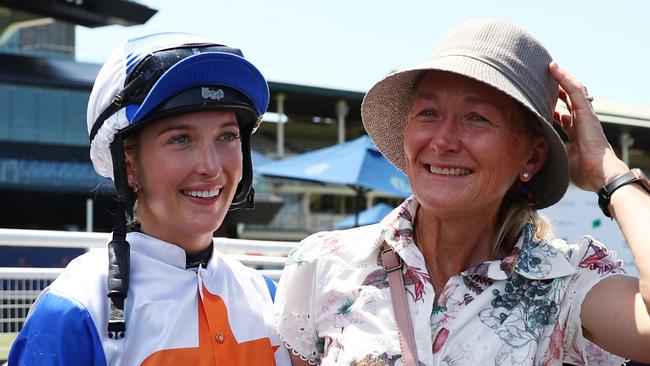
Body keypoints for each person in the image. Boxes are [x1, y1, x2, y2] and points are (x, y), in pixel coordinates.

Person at [275, 19, 650, 365]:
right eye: (428, 113)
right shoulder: (325, 264)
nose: (443, 140)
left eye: (477, 118)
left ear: (532, 157)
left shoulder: (564, 284)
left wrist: (611, 172)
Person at [9, 32, 290, 365]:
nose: (211, 167)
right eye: (181, 139)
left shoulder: (272, 299)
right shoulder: (76, 309)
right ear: (129, 164)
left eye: (226, 136)